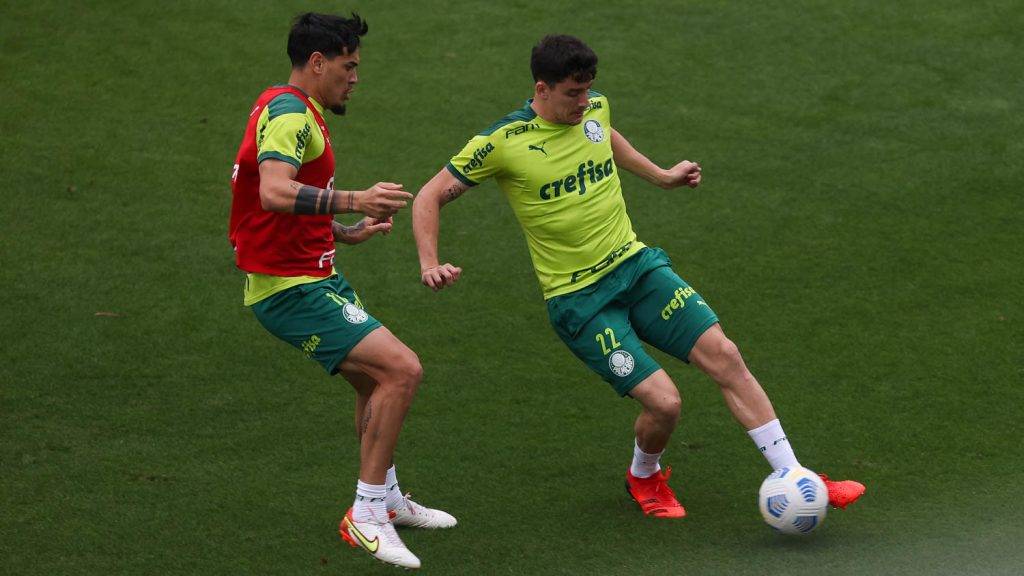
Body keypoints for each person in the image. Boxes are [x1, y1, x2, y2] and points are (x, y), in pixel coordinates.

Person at [412, 34, 864, 519]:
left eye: (588, 90)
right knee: (665, 403)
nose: (583, 102)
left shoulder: (594, 109)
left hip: (635, 266)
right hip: (579, 300)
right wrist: (429, 262)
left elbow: (604, 136)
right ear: (542, 88)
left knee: (726, 356)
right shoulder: (502, 142)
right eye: (572, 93)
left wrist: (661, 176)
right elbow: (429, 195)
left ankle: (795, 475)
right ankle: (643, 475)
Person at [228, 12, 454, 569]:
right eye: (348, 67)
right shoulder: (289, 114)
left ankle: (387, 499)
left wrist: (343, 232)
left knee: (373, 381)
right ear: (317, 62)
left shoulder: (295, 109)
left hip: (314, 275)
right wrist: (356, 199)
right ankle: (366, 512)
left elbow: (280, 203)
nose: (355, 78)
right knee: (403, 370)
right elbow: (275, 192)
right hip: (290, 289)